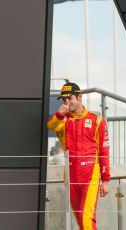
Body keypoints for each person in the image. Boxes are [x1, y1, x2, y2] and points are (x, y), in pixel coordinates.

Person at [47, 82, 110, 230]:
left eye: (70, 99)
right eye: (64, 100)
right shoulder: (62, 120)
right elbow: (51, 126)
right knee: (80, 219)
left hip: (90, 175)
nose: (66, 103)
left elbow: (104, 151)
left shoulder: (97, 120)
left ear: (80, 97)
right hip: (70, 176)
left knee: (86, 219)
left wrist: (105, 180)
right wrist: (59, 114)